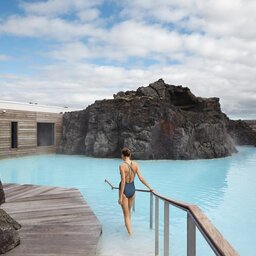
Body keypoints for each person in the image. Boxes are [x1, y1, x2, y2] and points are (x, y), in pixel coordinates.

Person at [118, 147, 153, 235]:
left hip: (125, 190)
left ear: (122, 155)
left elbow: (123, 181)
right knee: (128, 213)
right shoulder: (136, 164)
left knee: (126, 215)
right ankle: (128, 229)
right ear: (130, 155)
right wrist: (150, 187)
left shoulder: (122, 166)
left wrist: (120, 197)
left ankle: (130, 235)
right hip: (132, 189)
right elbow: (141, 178)